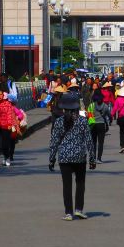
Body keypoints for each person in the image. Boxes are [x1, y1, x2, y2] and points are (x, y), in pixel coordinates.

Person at [48, 92, 96, 220]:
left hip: (64, 157)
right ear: (76, 107)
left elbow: (54, 142)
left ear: (63, 107)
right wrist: (92, 158)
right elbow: (89, 140)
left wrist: (51, 159)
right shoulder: (82, 121)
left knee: (67, 185)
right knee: (80, 184)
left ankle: (69, 212)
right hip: (80, 156)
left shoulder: (58, 122)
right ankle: (79, 209)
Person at [90, 86, 109, 163]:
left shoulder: (91, 105)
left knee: (93, 142)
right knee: (101, 143)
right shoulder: (105, 106)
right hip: (101, 125)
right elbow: (109, 116)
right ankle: (99, 158)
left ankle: (93, 158)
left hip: (93, 125)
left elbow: (89, 115)